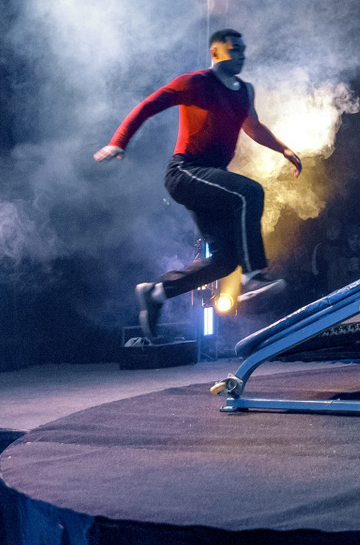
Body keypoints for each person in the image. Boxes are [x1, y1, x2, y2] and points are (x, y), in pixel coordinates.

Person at [97, 28, 303, 342]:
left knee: (224, 261)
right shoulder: (195, 83)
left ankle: (156, 293)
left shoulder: (244, 91)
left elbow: (253, 126)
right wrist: (119, 141)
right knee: (249, 192)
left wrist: (283, 149)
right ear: (216, 53)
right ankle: (252, 277)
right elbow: (148, 106)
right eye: (234, 49)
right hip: (185, 172)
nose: (241, 55)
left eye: (243, 49)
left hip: (209, 179)